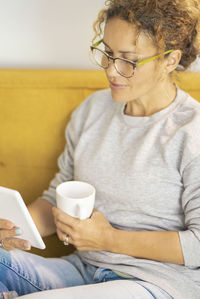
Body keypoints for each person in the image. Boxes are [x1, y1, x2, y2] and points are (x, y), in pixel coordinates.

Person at [1, 0, 200, 298]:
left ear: (170, 59)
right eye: (107, 53)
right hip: (83, 272)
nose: (111, 71)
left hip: (157, 283)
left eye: (128, 60)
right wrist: (18, 228)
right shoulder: (91, 111)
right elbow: (58, 194)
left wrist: (108, 239)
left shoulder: (191, 132)